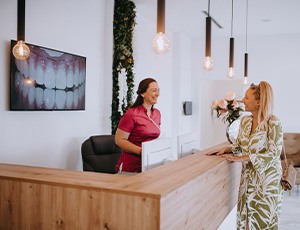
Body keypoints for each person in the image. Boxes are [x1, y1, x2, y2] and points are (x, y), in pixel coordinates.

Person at [206, 81, 283, 229]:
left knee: (264, 223)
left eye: (247, 98)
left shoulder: (273, 122)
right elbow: (242, 146)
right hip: (247, 181)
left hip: (267, 184)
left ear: (259, 102)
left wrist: (243, 158)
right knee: (246, 222)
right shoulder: (245, 121)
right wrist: (227, 150)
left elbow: (274, 153)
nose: (242, 100)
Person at [115, 78, 161, 173]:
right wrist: (142, 152)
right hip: (132, 166)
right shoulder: (132, 114)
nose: (157, 94)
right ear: (142, 93)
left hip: (150, 164)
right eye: (154, 91)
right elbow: (119, 140)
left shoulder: (157, 113)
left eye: (158, 90)